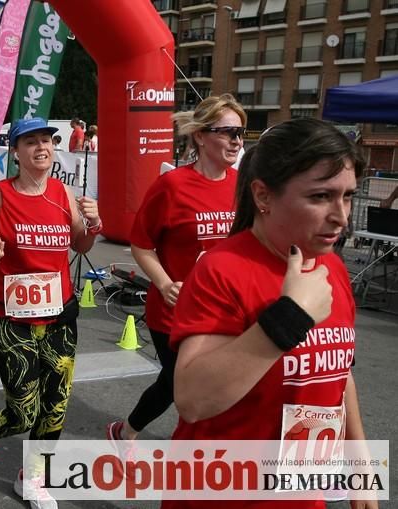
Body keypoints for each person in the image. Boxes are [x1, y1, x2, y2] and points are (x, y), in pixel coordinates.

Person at [161, 118, 375, 509]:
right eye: (320, 197)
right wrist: (289, 318)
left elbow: (339, 374)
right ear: (263, 196)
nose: (341, 217)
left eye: (347, 197)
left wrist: (362, 468)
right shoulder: (222, 269)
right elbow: (192, 398)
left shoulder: (333, 268)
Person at [0, 117, 102, 506]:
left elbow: (80, 246)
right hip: (13, 320)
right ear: (15, 152)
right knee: (22, 411)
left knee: (55, 408)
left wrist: (94, 224)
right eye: (30, 141)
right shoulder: (0, 195)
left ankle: (33, 477)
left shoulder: (61, 193)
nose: (42, 148)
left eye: (48, 141)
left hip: (60, 319)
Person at [106, 94, 246, 448]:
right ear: (200, 135)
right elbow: (141, 244)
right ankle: (129, 433)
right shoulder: (172, 186)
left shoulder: (243, 186)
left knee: (211, 386)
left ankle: (185, 444)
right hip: (174, 311)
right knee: (179, 384)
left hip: (225, 311)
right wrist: (165, 283)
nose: (237, 141)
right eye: (228, 132)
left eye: (241, 132)